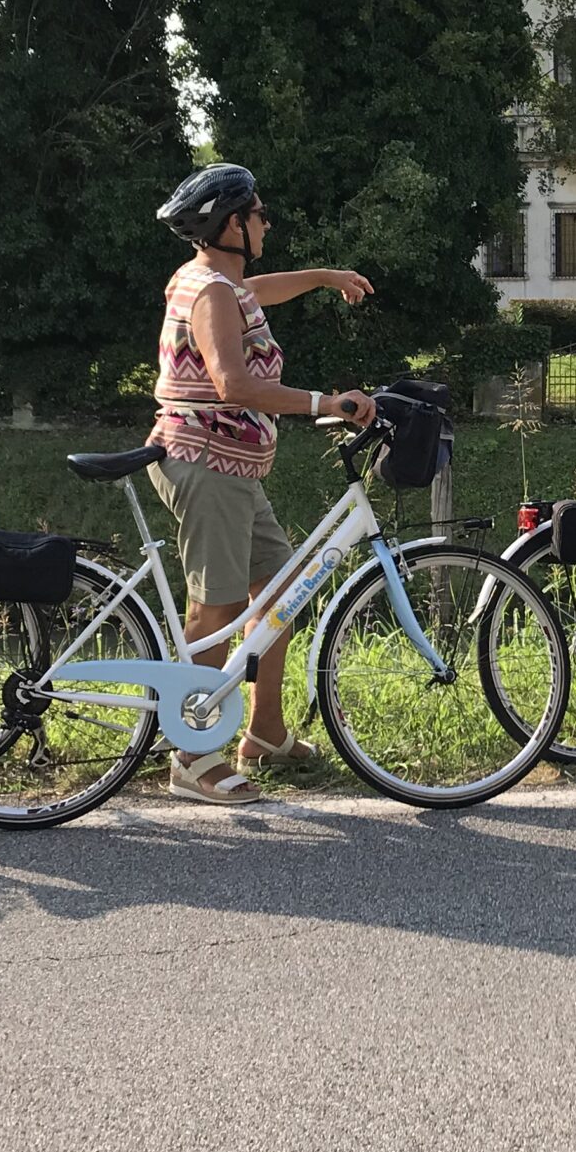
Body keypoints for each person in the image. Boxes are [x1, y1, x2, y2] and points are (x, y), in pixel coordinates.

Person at [148, 162, 377, 804]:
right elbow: (235, 386)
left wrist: (325, 277)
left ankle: (265, 731)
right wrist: (325, 403)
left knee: (280, 590)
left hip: (231, 467)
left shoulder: (222, 282)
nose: (266, 221)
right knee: (215, 608)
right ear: (231, 226)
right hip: (205, 463)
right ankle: (191, 755)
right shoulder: (212, 291)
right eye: (257, 213)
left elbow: (263, 289)